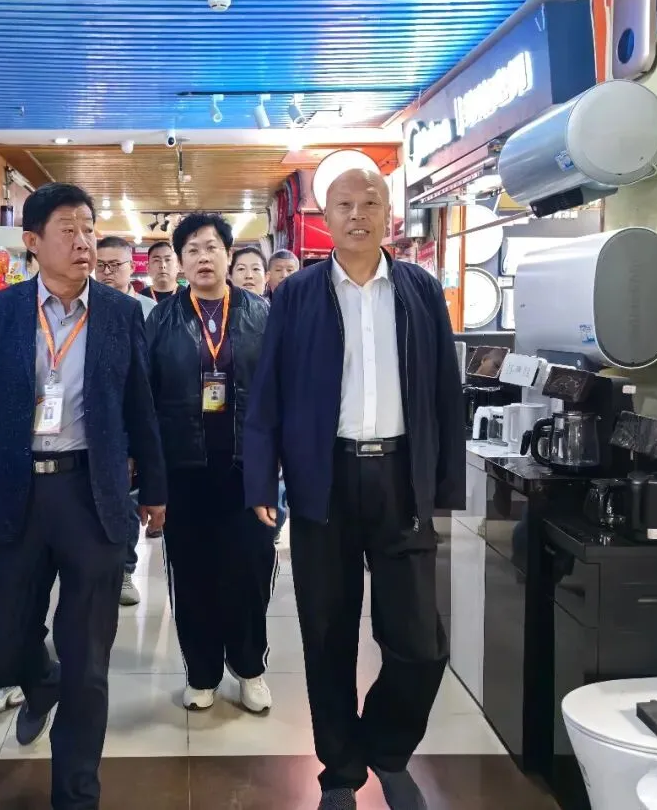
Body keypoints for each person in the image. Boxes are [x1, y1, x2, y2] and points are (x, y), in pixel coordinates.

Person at [0, 183, 167, 810]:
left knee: (89, 659)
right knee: (9, 635)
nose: (84, 240)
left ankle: (76, 792)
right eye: (68, 229)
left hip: (93, 495)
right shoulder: (1, 312)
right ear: (32, 241)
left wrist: (155, 489)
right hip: (18, 492)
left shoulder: (120, 313)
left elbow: (141, 407)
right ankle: (40, 683)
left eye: (89, 227)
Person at [243, 168, 464, 810]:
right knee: (327, 633)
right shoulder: (298, 294)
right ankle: (340, 772)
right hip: (325, 480)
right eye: (344, 204)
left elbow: (445, 392)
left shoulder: (420, 289)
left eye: (370, 202)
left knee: (420, 643)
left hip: (400, 479)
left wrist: (443, 482)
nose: (358, 214)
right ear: (325, 215)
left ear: (389, 211)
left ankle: (386, 749)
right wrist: (262, 478)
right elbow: (268, 395)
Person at [146, 212, 277, 714]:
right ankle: (201, 673)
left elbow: (280, 394)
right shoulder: (161, 321)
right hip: (184, 471)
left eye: (212, 248)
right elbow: (145, 401)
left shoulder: (261, 315)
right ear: (180, 262)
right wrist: (151, 480)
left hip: (247, 471)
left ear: (229, 254)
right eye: (193, 250)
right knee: (192, 575)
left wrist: (275, 469)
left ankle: (250, 668)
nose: (203, 258)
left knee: (249, 573)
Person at [95, 235, 155, 606]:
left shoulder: (149, 311)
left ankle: (125, 571)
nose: (107, 272)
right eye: (101, 265)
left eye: (115, 265)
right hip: (97, 423)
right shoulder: (86, 308)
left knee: (129, 501)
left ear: (132, 267)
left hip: (134, 422)